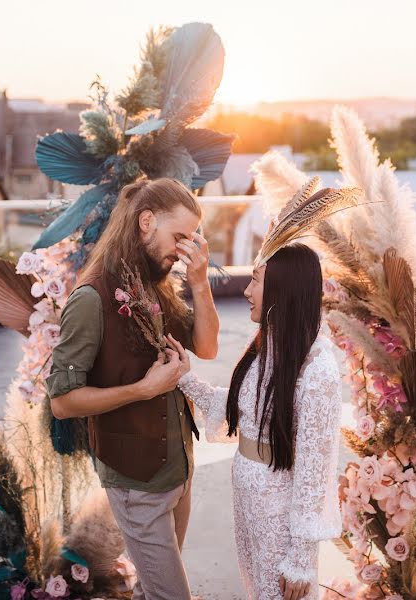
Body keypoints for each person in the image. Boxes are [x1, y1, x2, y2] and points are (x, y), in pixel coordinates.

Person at [48, 177, 220, 600]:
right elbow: (62, 402)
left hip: (178, 469)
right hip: (136, 482)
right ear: (146, 221)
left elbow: (207, 347)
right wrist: (142, 390)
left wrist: (199, 282)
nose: (184, 248)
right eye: (179, 236)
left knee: (151, 591)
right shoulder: (91, 298)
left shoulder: (156, 284)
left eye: (192, 239)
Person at [170, 240, 344, 600]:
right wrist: (186, 379)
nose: (247, 291)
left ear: (283, 288)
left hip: (278, 511)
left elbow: (314, 469)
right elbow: (248, 412)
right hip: (250, 499)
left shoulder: (318, 368)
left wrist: (301, 557)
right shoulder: (270, 344)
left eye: (256, 280)